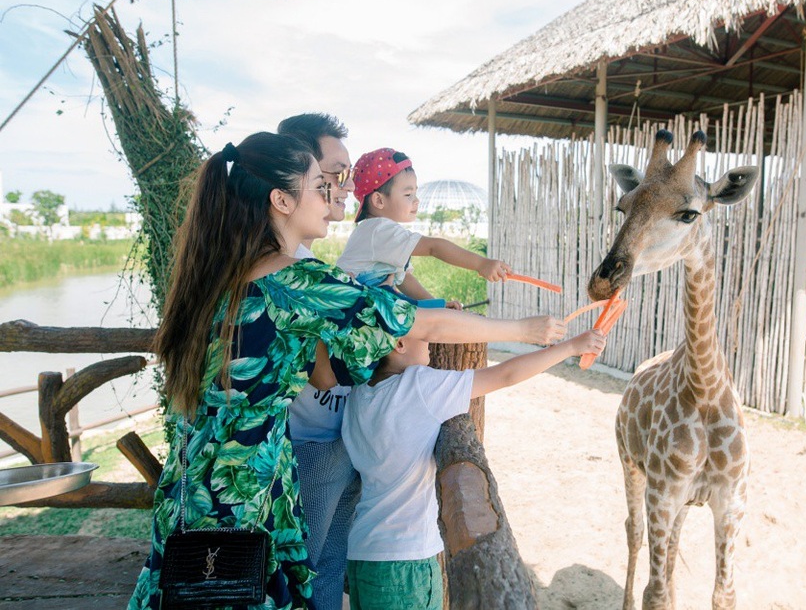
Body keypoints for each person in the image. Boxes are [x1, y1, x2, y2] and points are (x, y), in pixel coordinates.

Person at [128, 131, 565, 610]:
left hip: (192, 477)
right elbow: (423, 321)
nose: (334, 196)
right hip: (244, 488)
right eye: (320, 186)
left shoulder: (224, 270)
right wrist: (523, 329)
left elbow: (320, 376)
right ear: (281, 200)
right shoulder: (293, 276)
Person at [341, 327, 607, 610]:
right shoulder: (418, 385)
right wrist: (569, 347)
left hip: (362, 552)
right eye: (424, 331)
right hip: (406, 559)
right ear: (399, 343)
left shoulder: (358, 395)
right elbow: (505, 375)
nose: (431, 339)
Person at [277, 112, 363, 610]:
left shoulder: (307, 266)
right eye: (333, 174)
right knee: (304, 574)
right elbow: (326, 370)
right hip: (304, 446)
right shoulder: (288, 273)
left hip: (334, 438)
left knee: (327, 568)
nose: (343, 188)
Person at [336, 147, 511, 309]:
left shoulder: (381, 235)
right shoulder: (378, 229)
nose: (416, 200)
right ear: (379, 200)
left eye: (415, 193)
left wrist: (435, 306)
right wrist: (481, 263)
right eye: (408, 194)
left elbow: (403, 278)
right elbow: (433, 247)